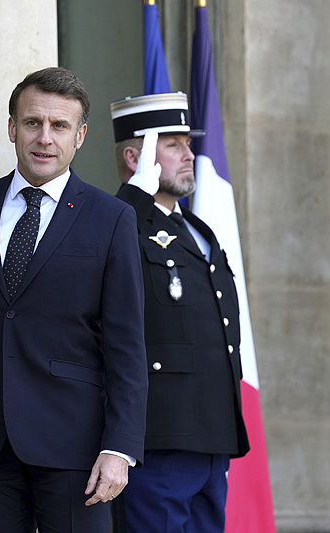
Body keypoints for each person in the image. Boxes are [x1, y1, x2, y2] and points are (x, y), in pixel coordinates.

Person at [0, 67, 148, 532]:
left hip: (77, 446)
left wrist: (120, 448)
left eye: (60, 126)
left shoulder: (112, 218)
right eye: (33, 123)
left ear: (80, 135)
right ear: (12, 127)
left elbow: (127, 344)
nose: (44, 138)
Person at [109, 92, 250, 533]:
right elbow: (97, 259)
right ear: (137, 156)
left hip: (211, 432)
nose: (190, 154)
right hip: (162, 435)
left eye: (188, 142)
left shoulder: (196, 228)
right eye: (173, 145)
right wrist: (134, 194)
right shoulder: (122, 221)